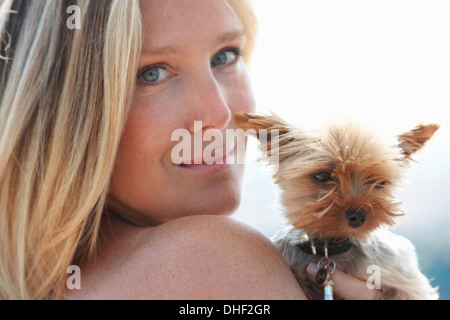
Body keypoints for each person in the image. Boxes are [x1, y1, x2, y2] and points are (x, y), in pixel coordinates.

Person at [0, 0, 379, 300]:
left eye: (225, 56)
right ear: (68, 113)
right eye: (152, 73)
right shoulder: (209, 260)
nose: (219, 113)